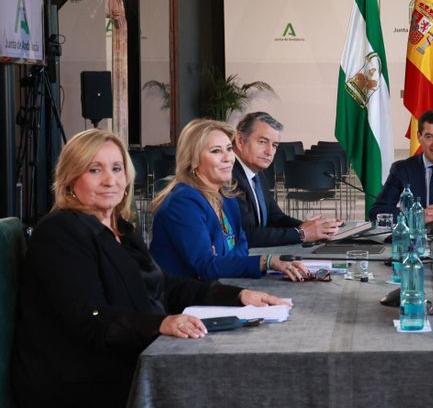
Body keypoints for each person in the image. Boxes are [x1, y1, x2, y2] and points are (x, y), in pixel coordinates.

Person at [12, 129, 289, 407]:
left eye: (117, 168)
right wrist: (161, 324)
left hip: (133, 359)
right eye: (95, 170)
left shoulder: (121, 229)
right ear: (71, 179)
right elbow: (89, 317)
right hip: (81, 382)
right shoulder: (59, 231)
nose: (110, 180)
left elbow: (165, 285)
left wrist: (237, 296)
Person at [150, 119, 310, 281]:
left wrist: (221, 260)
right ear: (193, 160)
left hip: (218, 286)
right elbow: (206, 266)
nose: (228, 158)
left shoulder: (228, 197)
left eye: (229, 149)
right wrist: (265, 261)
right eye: (216, 151)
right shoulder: (183, 202)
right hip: (183, 295)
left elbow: (242, 247)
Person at [232, 111, 339, 247]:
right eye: (262, 142)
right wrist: (302, 233)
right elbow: (247, 234)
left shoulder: (257, 173)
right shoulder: (229, 176)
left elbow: (275, 217)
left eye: (274, 145)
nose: (269, 152)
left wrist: (312, 228)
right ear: (240, 141)